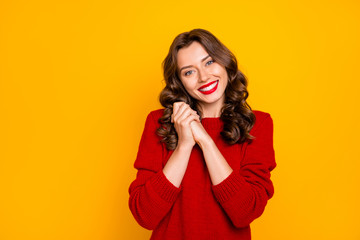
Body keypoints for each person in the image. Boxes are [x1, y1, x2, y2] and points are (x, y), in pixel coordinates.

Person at [128, 28, 276, 240]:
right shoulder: (158, 123)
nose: (204, 77)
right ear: (180, 82)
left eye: (209, 62)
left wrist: (206, 141)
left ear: (225, 63)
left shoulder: (258, 124)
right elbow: (145, 215)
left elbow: (245, 213)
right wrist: (184, 145)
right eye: (189, 71)